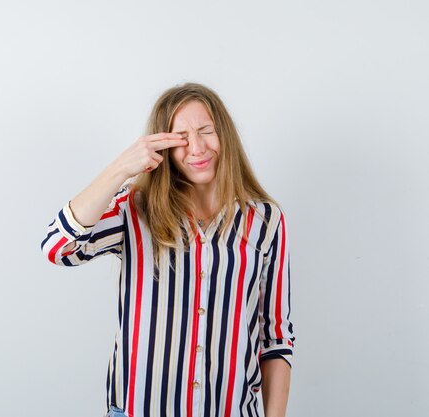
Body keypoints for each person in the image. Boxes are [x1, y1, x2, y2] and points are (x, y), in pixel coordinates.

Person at [40, 82, 295, 417]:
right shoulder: (133, 211)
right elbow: (59, 248)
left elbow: (275, 338)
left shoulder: (266, 222)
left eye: (207, 131)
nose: (198, 147)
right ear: (161, 147)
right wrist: (120, 168)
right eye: (181, 138)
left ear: (226, 136)